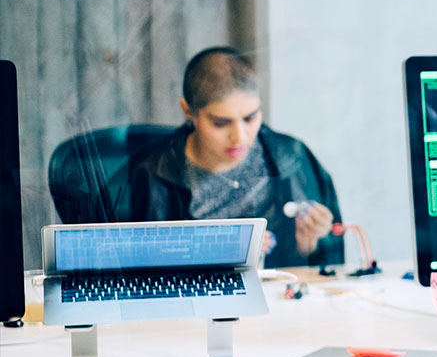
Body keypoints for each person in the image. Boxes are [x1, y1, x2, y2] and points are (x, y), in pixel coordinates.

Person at [119, 46, 342, 268]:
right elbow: (126, 268)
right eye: (220, 123)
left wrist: (312, 247)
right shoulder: (150, 174)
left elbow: (331, 269)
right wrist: (201, 252)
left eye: (250, 118)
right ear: (188, 112)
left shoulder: (293, 158)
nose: (240, 137)